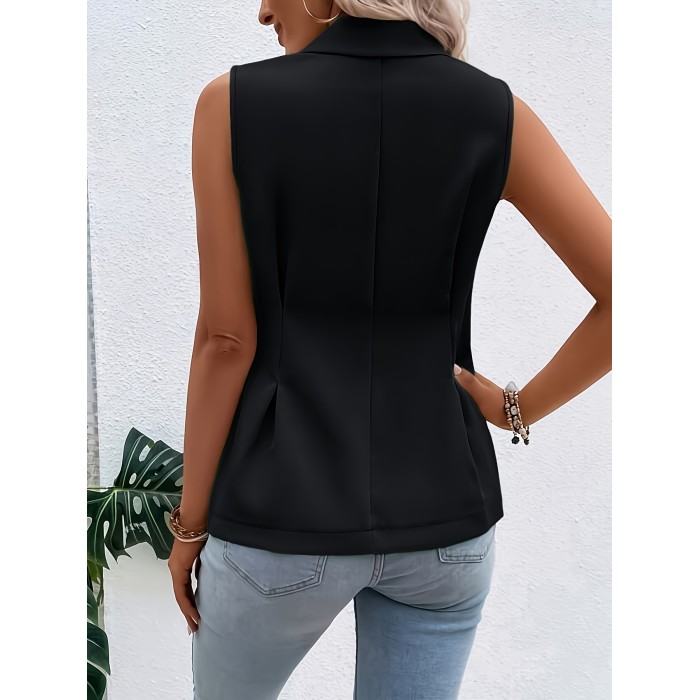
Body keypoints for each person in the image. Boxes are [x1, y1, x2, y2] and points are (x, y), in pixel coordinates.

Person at [167, 1, 612, 698]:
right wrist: (516, 408)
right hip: (446, 526)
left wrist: (190, 525)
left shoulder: (230, 105)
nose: (262, 12)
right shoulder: (496, 111)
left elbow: (227, 340)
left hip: (278, 518)